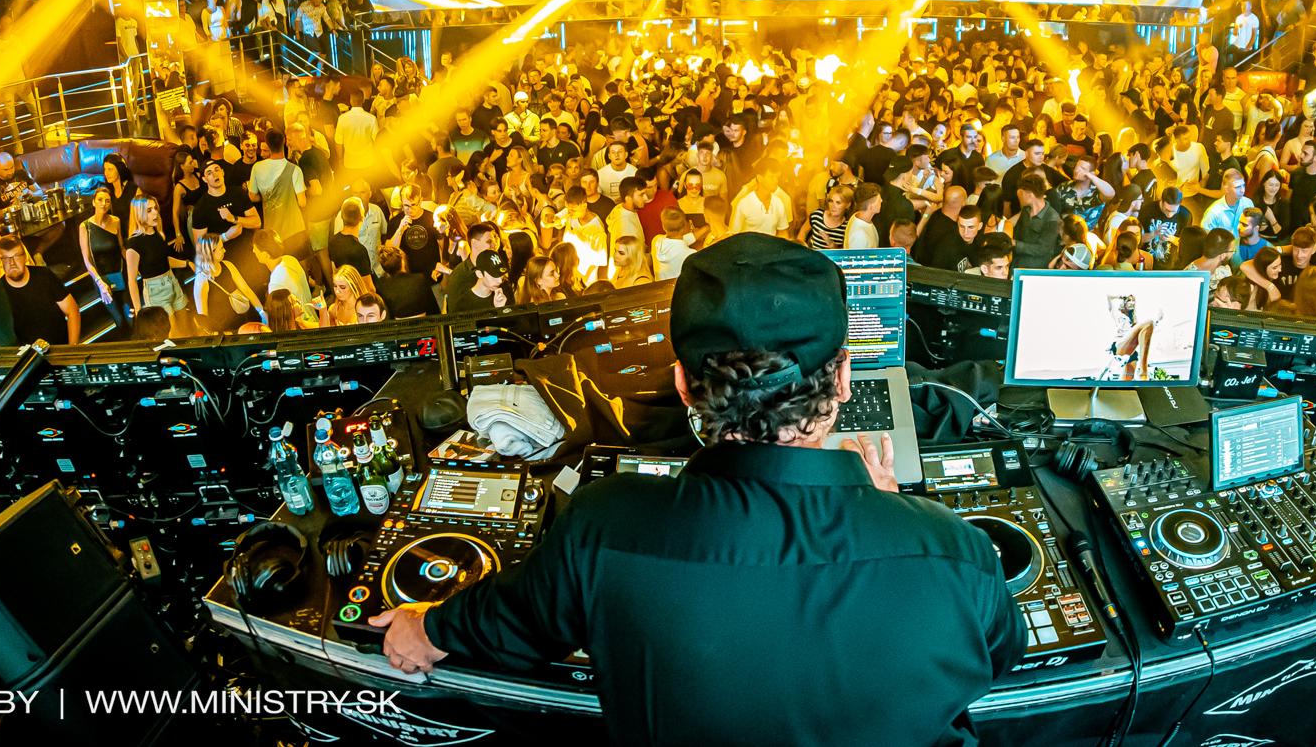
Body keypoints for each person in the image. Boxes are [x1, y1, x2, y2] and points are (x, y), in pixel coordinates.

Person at [372, 235, 1025, 743]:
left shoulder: (605, 527)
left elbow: (510, 620)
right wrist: (895, 515)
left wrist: (420, 628)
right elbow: (1002, 654)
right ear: (845, 378)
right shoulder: (958, 555)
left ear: (684, 385)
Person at [124, 195, 189, 314]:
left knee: (185, 320)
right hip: (155, 291)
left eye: (155, 208)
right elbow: (132, 280)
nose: (155, 213)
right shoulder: (133, 243)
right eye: (149, 210)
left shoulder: (158, 232)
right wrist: (138, 310)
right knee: (170, 325)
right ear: (139, 213)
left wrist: (187, 264)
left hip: (172, 281)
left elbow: (163, 260)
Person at [79, 184, 132, 327]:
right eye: (100, 200)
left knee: (130, 317)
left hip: (120, 274)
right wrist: (100, 283)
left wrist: (133, 265)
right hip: (101, 279)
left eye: (107, 201)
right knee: (119, 320)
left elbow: (121, 248)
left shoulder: (116, 221)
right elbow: (87, 260)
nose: (104, 203)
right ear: (93, 202)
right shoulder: (85, 227)